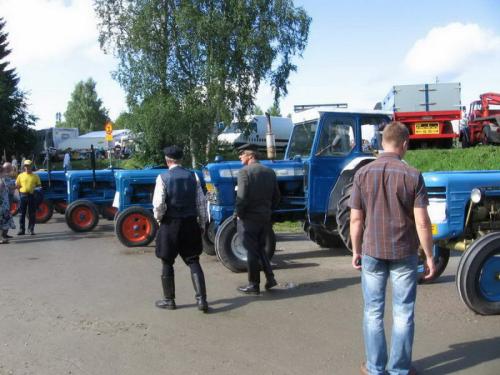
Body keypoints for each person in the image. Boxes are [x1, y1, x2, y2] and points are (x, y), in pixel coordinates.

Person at [349, 121, 436, 375]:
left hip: (372, 252)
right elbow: (422, 221)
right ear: (405, 144)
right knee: (403, 312)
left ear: (382, 142)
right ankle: (399, 369)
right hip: (404, 252)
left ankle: (376, 368)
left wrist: (356, 251)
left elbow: (356, 219)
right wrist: (429, 256)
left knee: (373, 311)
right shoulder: (413, 175)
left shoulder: (362, 174)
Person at [152, 145, 209, 312]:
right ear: (181, 159)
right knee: (193, 260)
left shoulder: (163, 177)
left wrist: (159, 219)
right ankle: (202, 301)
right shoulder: (194, 177)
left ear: (167, 160)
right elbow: (201, 203)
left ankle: (169, 301)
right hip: (190, 222)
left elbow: (158, 204)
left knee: (167, 260)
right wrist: (202, 223)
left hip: (170, 224)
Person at [235, 143, 281, 295]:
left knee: (251, 251)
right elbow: (277, 197)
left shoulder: (244, 172)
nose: (239, 156)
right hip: (264, 217)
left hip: (249, 218)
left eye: (242, 154)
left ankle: (254, 284)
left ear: (250, 156)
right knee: (260, 248)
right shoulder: (270, 172)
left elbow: (241, 197)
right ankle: (270, 278)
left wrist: (238, 213)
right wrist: (268, 210)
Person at [15, 160, 41, 236]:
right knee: (21, 214)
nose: (27, 167)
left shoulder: (35, 176)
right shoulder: (20, 175)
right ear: (24, 167)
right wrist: (17, 188)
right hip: (23, 196)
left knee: (32, 214)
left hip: (32, 196)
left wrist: (35, 189)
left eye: (29, 166)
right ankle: (21, 229)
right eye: (26, 166)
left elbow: (39, 186)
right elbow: (17, 185)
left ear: (31, 166)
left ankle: (30, 229)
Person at [0, 165, 16, 243]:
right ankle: (1, 238)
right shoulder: (0, 182)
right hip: (2, 206)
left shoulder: (2, 180)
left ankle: (3, 237)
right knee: (3, 222)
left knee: (5, 221)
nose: (5, 173)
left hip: (4, 205)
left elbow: (9, 187)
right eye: (3, 172)